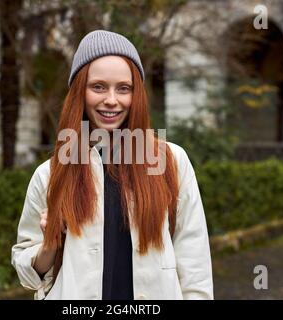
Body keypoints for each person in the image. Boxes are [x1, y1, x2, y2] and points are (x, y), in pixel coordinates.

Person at [11, 30, 213, 300]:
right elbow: (27, 273)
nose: (111, 99)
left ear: (136, 94)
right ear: (79, 93)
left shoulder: (171, 162)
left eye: (123, 88)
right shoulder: (49, 174)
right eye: (98, 87)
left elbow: (194, 261)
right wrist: (49, 244)